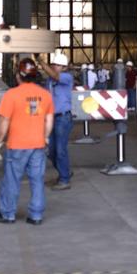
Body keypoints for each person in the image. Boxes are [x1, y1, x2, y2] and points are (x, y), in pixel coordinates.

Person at [0, 57, 53, 224]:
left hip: (17, 145)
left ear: (18, 76)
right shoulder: (45, 95)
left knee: (12, 180)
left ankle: (8, 214)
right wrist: (45, 137)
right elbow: (49, 120)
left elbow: (4, 121)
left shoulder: (11, 95)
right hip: (38, 145)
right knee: (37, 180)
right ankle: (36, 216)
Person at [40, 53, 75, 190]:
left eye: (58, 65)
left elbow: (55, 76)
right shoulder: (49, 80)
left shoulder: (66, 77)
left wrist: (42, 63)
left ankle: (64, 179)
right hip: (51, 118)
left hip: (62, 118)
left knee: (60, 150)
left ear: (64, 67)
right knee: (51, 151)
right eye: (54, 64)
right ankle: (65, 172)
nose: (55, 66)